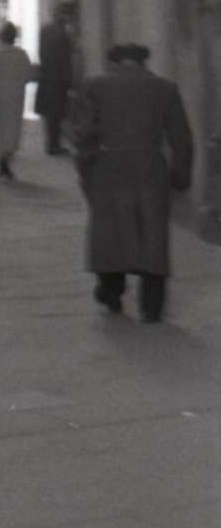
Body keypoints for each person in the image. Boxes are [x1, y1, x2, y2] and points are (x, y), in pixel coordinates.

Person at [71, 43, 194, 323]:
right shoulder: (165, 88)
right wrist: (180, 176)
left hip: (108, 167)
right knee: (152, 234)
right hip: (151, 168)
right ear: (144, 62)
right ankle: (152, 306)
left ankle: (111, 290)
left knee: (110, 232)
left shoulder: (95, 86)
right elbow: (181, 139)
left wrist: (86, 166)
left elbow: (83, 132)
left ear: (113, 62)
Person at [0, 21, 36, 181]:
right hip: (16, 97)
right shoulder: (21, 55)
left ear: (0, 37)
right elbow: (29, 76)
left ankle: (1, 158)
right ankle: (6, 159)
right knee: (13, 129)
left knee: (0, 127)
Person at [36, 0, 78, 155]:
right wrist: (70, 82)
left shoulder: (45, 30)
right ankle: (54, 145)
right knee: (57, 113)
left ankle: (52, 143)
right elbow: (64, 60)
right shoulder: (62, 34)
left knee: (51, 114)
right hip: (58, 79)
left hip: (47, 76)